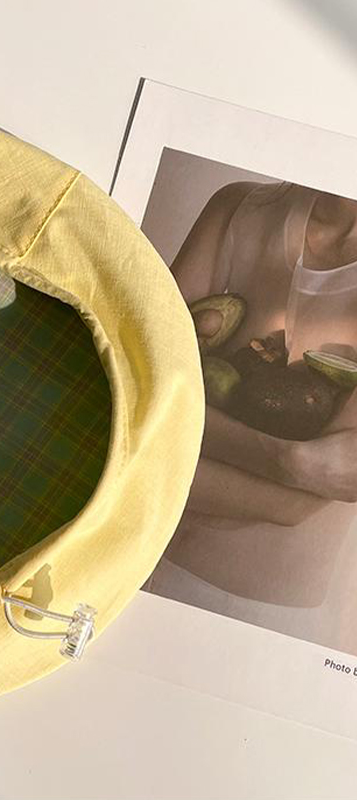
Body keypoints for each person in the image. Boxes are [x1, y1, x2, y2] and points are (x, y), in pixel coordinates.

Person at [147, 181, 357, 654]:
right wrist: (285, 459)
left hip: (276, 622)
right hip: (145, 557)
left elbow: (296, 506)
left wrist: (165, 451)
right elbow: (138, 389)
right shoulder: (236, 207)